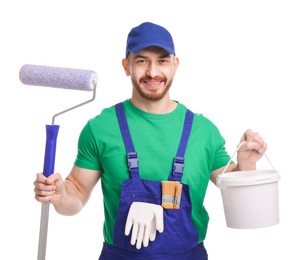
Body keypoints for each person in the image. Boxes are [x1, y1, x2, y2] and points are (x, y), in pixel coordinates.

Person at [34, 22, 267, 260]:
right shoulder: (100, 128)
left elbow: (232, 187)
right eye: (142, 60)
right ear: (127, 66)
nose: (153, 72)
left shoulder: (204, 131)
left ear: (175, 65)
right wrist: (59, 194)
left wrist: (247, 165)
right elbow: (76, 194)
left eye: (162, 61)